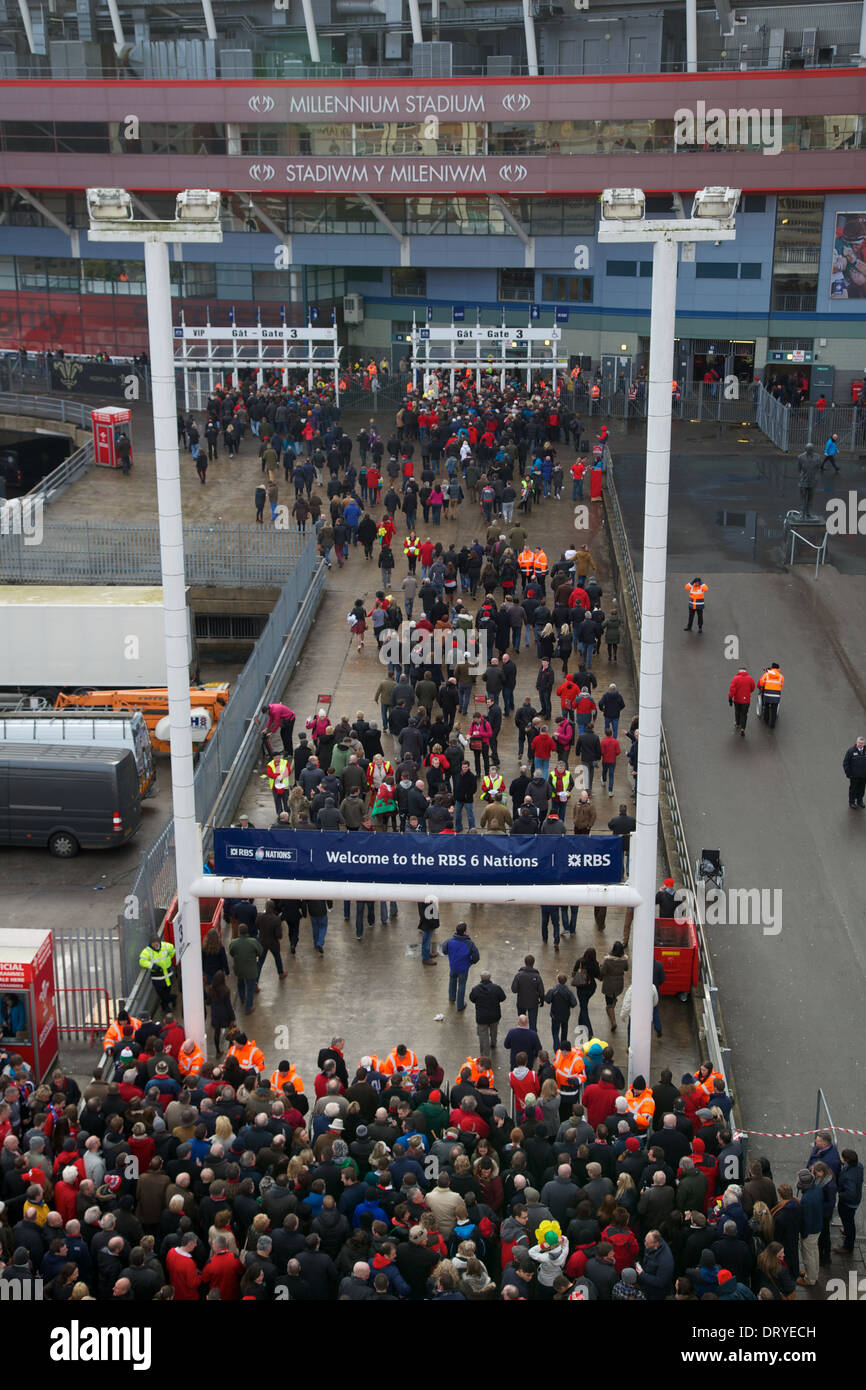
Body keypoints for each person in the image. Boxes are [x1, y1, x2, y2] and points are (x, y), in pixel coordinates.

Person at [441, 922, 480, 1012]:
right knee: (461, 985)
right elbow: (476, 957)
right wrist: (470, 962)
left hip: (453, 966)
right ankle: (460, 1005)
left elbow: (444, 950)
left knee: (452, 980)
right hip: (463, 969)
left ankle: (452, 997)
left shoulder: (449, 941)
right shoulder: (469, 943)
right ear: (465, 932)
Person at [469, 972, 507, 1054]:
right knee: (494, 1030)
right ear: (490, 978)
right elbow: (503, 998)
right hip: (494, 1016)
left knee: (483, 1035)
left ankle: (485, 1054)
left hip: (481, 1017)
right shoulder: (496, 988)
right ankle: (493, 1043)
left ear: (481, 978)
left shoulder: (476, 989)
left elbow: (472, 999)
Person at [727, 667, 755, 738]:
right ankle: (743, 728)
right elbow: (753, 688)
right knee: (744, 714)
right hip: (746, 701)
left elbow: (732, 689)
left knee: (737, 711)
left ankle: (737, 723)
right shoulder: (750, 678)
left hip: (737, 700)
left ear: (739, 671)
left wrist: (730, 697)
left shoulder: (735, 678)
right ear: (746, 671)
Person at [797, 442, 821, 519]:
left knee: (810, 498)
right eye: (808, 450)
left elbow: (818, 468)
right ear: (805, 450)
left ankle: (809, 513)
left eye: (811, 450)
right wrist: (802, 477)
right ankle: (802, 512)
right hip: (803, 481)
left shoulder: (817, 457)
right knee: (802, 498)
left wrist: (816, 477)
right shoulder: (800, 457)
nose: (809, 451)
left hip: (812, 481)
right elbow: (799, 469)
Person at [756, 662, 784, 728]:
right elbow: (781, 685)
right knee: (774, 710)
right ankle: (772, 724)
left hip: (767, 694)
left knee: (766, 706)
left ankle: (766, 721)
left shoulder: (766, 674)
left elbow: (761, 683)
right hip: (776, 695)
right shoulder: (781, 676)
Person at [842, 736, 866, 809]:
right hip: (854, 776)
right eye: (859, 743)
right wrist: (849, 774)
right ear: (856, 742)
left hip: (864, 776)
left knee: (862, 789)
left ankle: (859, 801)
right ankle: (851, 802)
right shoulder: (851, 751)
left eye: (862, 743)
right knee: (853, 789)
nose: (860, 744)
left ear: (864, 744)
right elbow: (845, 763)